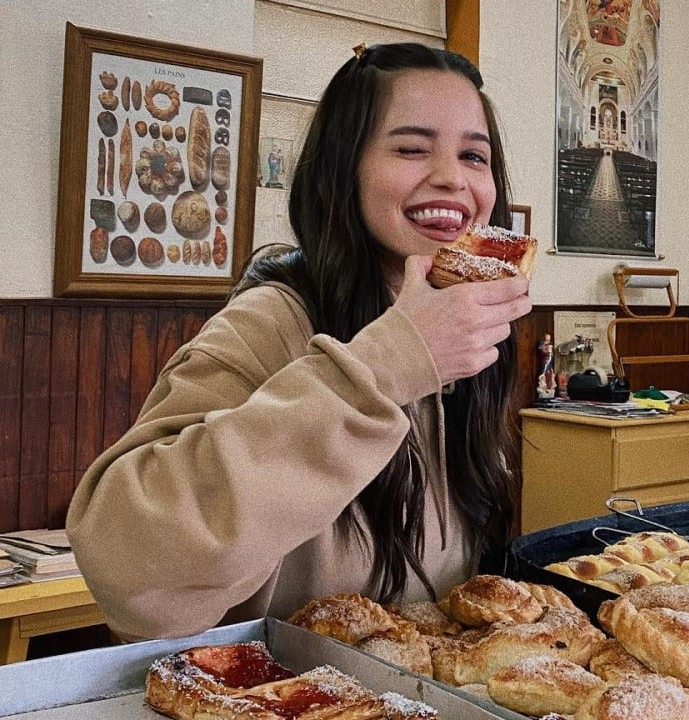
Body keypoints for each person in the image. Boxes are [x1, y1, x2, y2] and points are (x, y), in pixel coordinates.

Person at [66, 42, 532, 640]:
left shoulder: (472, 342)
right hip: (271, 695)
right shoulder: (270, 322)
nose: (451, 178)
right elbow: (128, 568)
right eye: (412, 148)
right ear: (344, 168)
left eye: (474, 155)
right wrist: (385, 368)